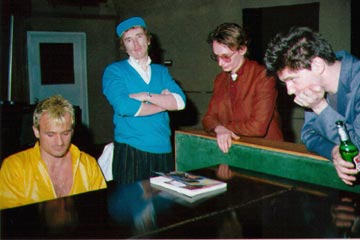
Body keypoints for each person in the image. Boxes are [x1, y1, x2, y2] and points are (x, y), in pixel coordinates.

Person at [263, 26, 360, 186]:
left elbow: (356, 150)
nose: (289, 91)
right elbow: (309, 134)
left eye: (292, 79)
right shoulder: (316, 88)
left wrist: (320, 107)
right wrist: (333, 151)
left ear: (317, 65)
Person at [102, 16, 186, 184]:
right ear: (124, 46)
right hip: (131, 150)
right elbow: (124, 106)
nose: (136, 44)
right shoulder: (114, 71)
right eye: (128, 40)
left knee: (162, 206)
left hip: (163, 149)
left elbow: (180, 102)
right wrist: (163, 103)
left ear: (148, 40)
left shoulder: (161, 71)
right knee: (131, 205)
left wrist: (145, 96)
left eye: (139, 36)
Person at [0, 95, 107, 209]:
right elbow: (9, 221)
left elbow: (100, 213)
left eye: (65, 133)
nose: (60, 142)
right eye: (51, 134)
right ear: (36, 131)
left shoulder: (88, 165)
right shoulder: (14, 168)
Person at [202, 22, 283, 154]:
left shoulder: (263, 76)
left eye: (225, 57)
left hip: (266, 151)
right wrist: (218, 129)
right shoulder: (220, 79)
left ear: (242, 49)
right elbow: (208, 118)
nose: (220, 63)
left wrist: (223, 127)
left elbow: (258, 127)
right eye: (216, 57)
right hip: (235, 150)